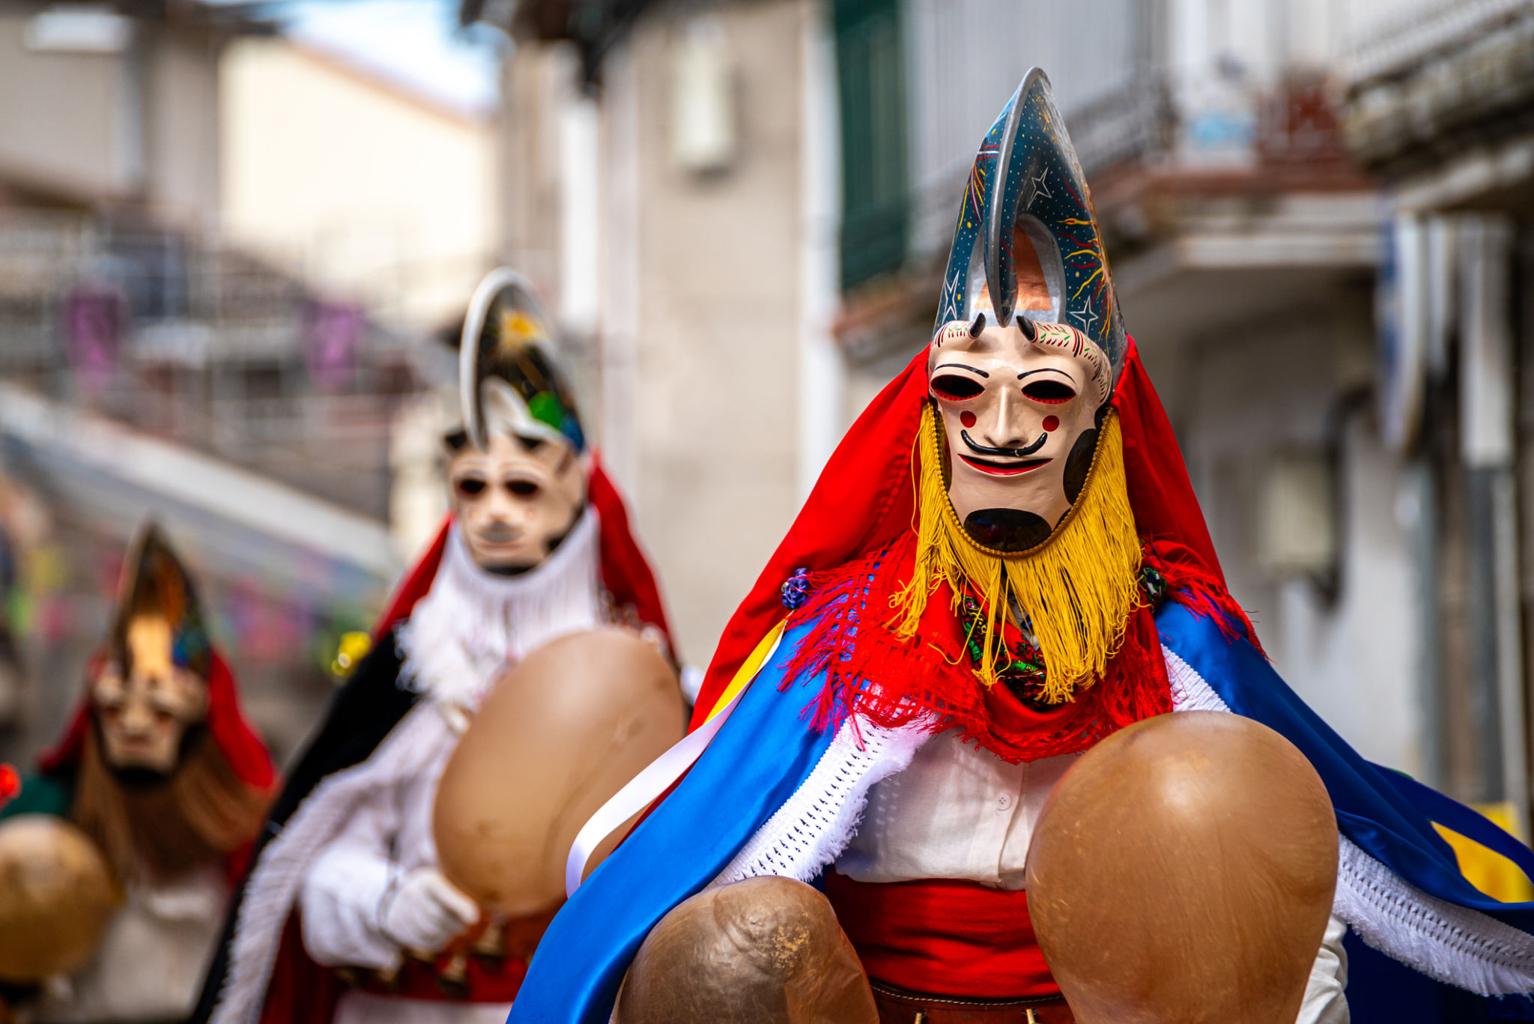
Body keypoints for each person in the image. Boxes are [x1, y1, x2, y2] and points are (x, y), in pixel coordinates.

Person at [508, 70, 1534, 1023]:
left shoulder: (1180, 653)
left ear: (1099, 420)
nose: (998, 428)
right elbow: (644, 860)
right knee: (731, 947)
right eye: (963, 391)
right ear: (928, 419)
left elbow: (1283, 890)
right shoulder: (844, 652)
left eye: (1042, 393)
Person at [194, 269, 677, 1024]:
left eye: (521, 487)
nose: (492, 512)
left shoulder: (638, 678)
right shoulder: (411, 669)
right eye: (471, 486)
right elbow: (314, 871)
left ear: (575, 487)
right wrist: (385, 901)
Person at [0, 523, 276, 1023]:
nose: (133, 724)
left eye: (161, 711)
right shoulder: (50, 813)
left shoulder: (246, 838)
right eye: (114, 707)